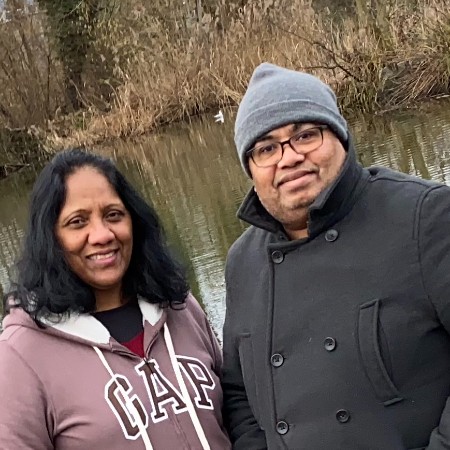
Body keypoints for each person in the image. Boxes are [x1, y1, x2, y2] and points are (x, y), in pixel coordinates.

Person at [222, 62, 450, 450]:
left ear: (340, 137)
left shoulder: (425, 216)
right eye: (266, 149)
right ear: (251, 170)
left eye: (305, 135)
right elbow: (238, 394)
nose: (289, 157)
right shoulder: (242, 262)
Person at [0, 149, 231, 450]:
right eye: (78, 222)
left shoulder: (180, 307)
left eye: (113, 215)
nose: (102, 235)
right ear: (51, 238)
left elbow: (234, 413)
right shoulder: (20, 355)